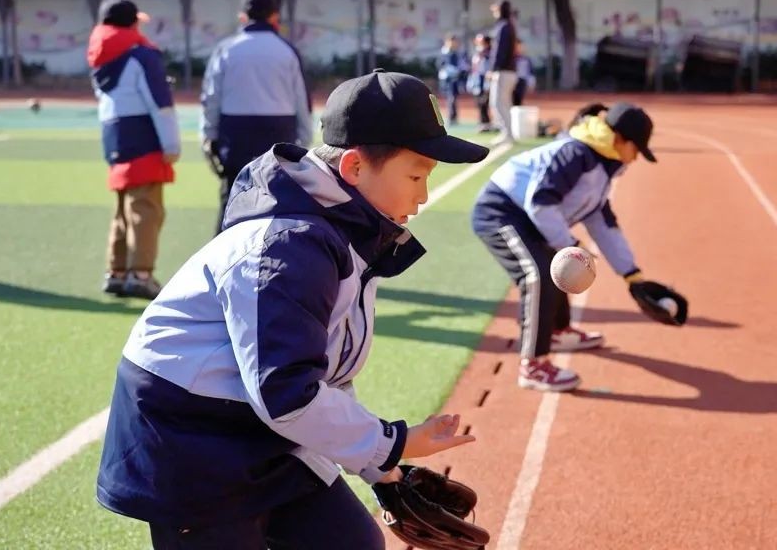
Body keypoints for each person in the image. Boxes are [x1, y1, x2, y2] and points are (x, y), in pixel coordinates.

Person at [96, 70, 488, 549]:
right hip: (189, 440)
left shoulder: (343, 232)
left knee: (351, 544)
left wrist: (381, 469)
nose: (423, 195)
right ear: (354, 167)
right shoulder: (291, 244)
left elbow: (319, 380)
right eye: (416, 175)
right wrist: (393, 443)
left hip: (256, 421)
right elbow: (285, 391)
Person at [470, 102, 673, 391]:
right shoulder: (576, 154)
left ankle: (559, 331)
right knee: (537, 275)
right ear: (619, 140)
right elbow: (540, 204)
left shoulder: (603, 166)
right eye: (637, 149)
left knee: (560, 261)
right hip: (500, 212)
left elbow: (602, 224)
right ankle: (533, 365)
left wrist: (632, 275)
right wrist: (571, 245)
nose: (636, 157)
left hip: (528, 216)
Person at [88, 0, 180, 300]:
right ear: (131, 23)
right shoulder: (142, 56)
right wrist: (171, 143)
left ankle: (116, 271)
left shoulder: (101, 57)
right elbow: (160, 102)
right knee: (146, 209)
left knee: (122, 210)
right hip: (143, 136)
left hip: (115, 137)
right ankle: (141, 274)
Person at [201, 0, 313, 234]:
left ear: (243, 17)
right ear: (274, 17)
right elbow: (302, 101)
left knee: (232, 201)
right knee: (277, 204)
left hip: (235, 134)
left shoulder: (226, 49)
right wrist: (304, 141)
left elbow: (211, 98)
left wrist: (209, 136)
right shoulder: (287, 50)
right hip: (279, 133)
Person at [487, 0, 518, 145]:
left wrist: (493, 69)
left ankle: (507, 133)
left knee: (497, 103)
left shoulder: (503, 27)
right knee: (505, 104)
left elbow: (499, 51)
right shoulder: (509, 26)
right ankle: (509, 133)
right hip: (509, 71)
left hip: (503, 72)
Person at [436, 33, 469, 125]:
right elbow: (440, 65)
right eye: (453, 41)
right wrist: (450, 70)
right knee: (450, 97)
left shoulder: (458, 53)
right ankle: (451, 117)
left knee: (453, 97)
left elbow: (463, 64)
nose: (455, 43)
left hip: (455, 79)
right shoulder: (444, 53)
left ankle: (453, 116)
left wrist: (461, 70)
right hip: (447, 80)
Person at [467, 33, 494, 133]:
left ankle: (486, 123)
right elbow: (474, 69)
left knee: (484, 102)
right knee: (479, 102)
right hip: (477, 80)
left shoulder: (490, 54)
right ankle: (483, 122)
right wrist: (471, 81)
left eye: (480, 41)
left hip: (486, 80)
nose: (477, 43)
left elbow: (489, 68)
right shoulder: (477, 53)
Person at [512, 39, 536, 107]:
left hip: (521, 81)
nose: (518, 49)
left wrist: (531, 83)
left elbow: (530, 72)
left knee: (518, 99)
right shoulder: (510, 59)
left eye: (520, 47)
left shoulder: (526, 59)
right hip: (511, 81)